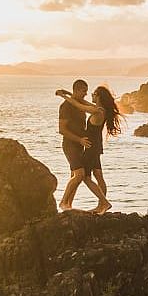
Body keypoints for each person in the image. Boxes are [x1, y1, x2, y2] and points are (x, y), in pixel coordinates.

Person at [56, 85, 123, 214]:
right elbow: (81, 102)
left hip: (91, 148)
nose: (89, 95)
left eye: (93, 93)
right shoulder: (99, 109)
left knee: (85, 177)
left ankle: (103, 203)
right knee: (98, 176)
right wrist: (69, 93)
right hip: (96, 146)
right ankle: (101, 206)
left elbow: (79, 105)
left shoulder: (97, 111)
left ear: (98, 97)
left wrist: (64, 96)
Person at [57, 79, 91, 211]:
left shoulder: (79, 103)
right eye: (84, 91)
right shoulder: (66, 106)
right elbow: (62, 130)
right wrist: (79, 140)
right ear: (77, 90)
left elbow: (93, 106)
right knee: (80, 174)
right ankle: (63, 202)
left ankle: (68, 205)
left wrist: (65, 92)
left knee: (75, 175)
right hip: (70, 144)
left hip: (79, 145)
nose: (85, 94)